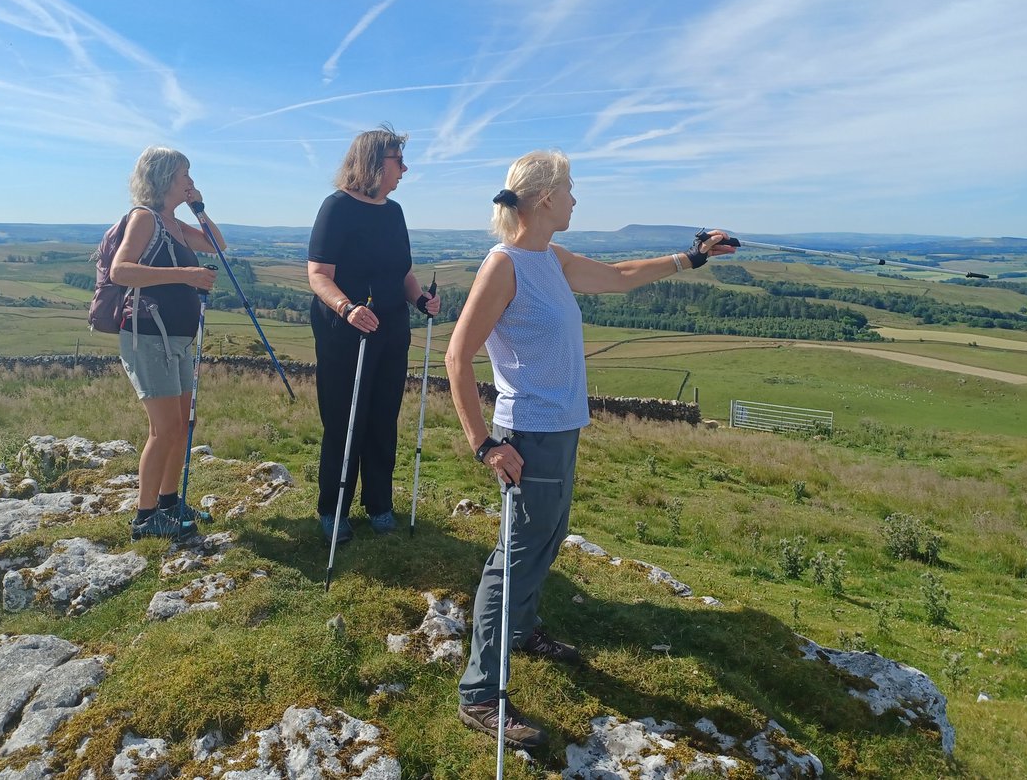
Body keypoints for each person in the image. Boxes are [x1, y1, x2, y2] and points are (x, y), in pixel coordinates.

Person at [444, 150, 736, 748]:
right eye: (571, 189)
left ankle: (521, 632)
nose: (576, 199)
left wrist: (691, 257)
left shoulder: (548, 259)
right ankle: (479, 693)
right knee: (515, 556)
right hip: (527, 436)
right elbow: (457, 356)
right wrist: (485, 445)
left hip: (560, 430)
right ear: (545, 198)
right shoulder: (504, 265)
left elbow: (621, 276)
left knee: (545, 540)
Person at [307, 125, 441, 542]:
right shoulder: (336, 208)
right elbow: (318, 275)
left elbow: (402, 272)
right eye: (397, 161)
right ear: (372, 163)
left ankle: (379, 503)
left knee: (384, 415)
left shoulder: (393, 211)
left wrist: (420, 301)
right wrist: (347, 308)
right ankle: (334, 508)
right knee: (346, 419)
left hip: (391, 329)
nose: (404, 168)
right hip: (345, 332)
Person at [111, 146, 225, 540]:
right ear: (163, 178)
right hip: (148, 336)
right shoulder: (145, 218)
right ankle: (145, 518)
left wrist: (199, 207)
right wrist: (186, 276)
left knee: (182, 425)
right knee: (164, 429)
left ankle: (170, 502)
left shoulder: (174, 223)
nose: (191, 181)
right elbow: (120, 271)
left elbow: (217, 244)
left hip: (176, 337)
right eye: (184, 175)